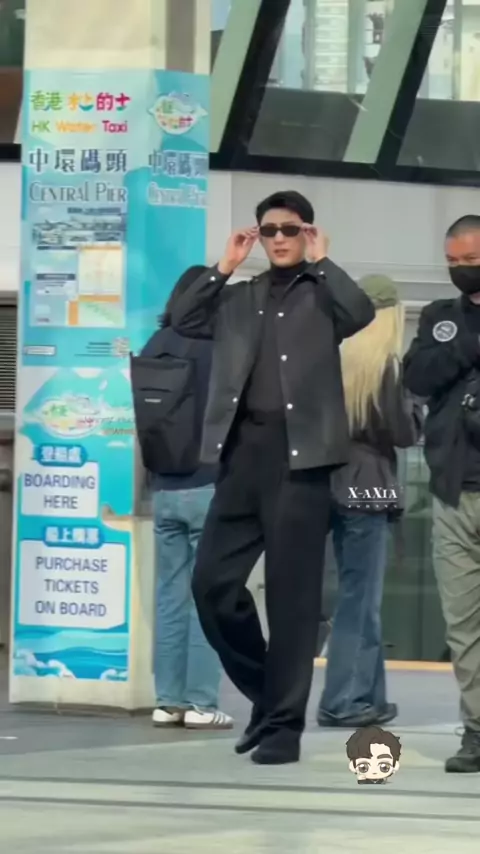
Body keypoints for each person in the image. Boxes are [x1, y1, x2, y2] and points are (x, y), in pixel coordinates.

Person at [170, 190, 375, 764]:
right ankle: (267, 693)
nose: (279, 239)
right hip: (242, 456)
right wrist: (225, 265)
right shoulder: (240, 296)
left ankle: (284, 726)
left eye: (290, 229)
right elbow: (184, 317)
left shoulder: (323, 294)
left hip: (300, 461)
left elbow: (361, 312)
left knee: (291, 599)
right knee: (211, 586)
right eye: (269, 231)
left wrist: (323, 260)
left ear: (306, 232)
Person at [316, 275, 422, 729]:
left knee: (354, 597)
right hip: (368, 489)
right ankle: (342, 700)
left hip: (326, 485)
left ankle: (369, 697)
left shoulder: (330, 358)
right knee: (360, 601)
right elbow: (404, 433)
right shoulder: (385, 367)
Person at [140, 266, 233, 731]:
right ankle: (201, 703)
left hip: (164, 487)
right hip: (209, 483)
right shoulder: (219, 346)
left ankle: (167, 701)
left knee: (169, 596)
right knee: (206, 598)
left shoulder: (155, 344)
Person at [404, 214, 480, 773]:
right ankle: (477, 730)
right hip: (454, 491)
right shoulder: (440, 317)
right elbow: (417, 376)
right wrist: (470, 344)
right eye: (452, 262)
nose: (460, 269)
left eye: (470, 260)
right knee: (463, 625)